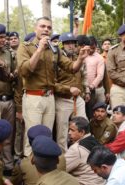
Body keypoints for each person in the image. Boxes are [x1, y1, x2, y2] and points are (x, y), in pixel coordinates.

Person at [17, 16, 89, 155]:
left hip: (49, 97)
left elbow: (72, 68)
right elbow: (25, 70)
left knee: (47, 136)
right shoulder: (25, 47)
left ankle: (44, 168)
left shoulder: (55, 49)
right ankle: (30, 170)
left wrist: (80, 58)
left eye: (49, 27)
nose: (46, 30)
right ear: (35, 28)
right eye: (42, 26)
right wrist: (39, 50)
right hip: (33, 97)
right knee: (33, 135)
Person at [0, 23, 17, 176]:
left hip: (8, 99)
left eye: (5, 37)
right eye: (0, 37)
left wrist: (1, 64)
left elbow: (12, 75)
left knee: (8, 135)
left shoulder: (8, 53)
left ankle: (8, 165)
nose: (4, 40)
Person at [55, 32, 87, 151]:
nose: (71, 46)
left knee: (83, 126)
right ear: (62, 45)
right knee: (62, 132)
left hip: (78, 99)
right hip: (62, 99)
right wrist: (68, 89)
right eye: (67, 43)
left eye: (73, 43)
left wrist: (86, 91)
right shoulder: (57, 59)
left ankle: (82, 152)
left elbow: (84, 76)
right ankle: (63, 158)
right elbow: (52, 84)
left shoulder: (79, 57)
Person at [65, 117, 104, 185]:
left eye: (72, 130)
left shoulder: (76, 149)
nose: (69, 133)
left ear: (82, 132)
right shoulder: (94, 141)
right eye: (69, 130)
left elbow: (62, 168)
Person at [84, 36, 104, 119]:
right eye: (90, 48)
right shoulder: (81, 56)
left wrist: (92, 86)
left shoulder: (99, 58)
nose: (91, 50)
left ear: (96, 46)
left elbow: (100, 75)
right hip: (81, 88)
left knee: (91, 112)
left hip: (92, 89)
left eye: (93, 48)